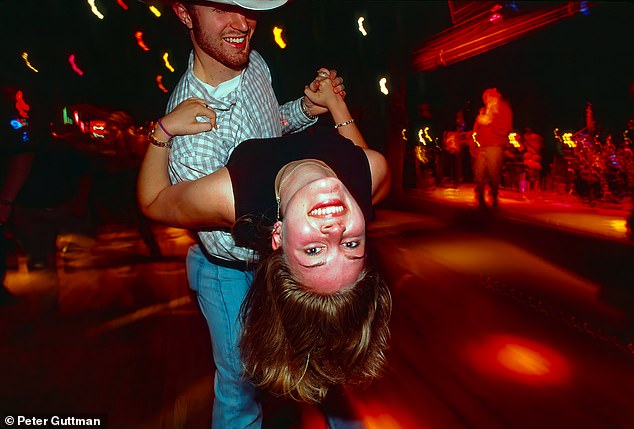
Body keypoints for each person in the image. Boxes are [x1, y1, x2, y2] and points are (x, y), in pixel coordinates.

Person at [138, 78, 391, 423]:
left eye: (315, 250)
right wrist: (333, 103)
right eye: (350, 245)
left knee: (239, 380)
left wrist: (163, 131)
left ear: (279, 235)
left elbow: (153, 202)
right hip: (253, 267)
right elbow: (359, 161)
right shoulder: (371, 174)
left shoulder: (231, 196)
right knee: (328, 350)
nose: (336, 229)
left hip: (222, 265)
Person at [154, 0, 350, 427]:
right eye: (223, 8)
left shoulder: (254, 63)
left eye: (248, 8)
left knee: (322, 363)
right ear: (185, 15)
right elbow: (220, 236)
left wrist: (307, 108)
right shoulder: (193, 133)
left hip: (277, 253)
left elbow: (271, 126)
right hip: (229, 271)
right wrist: (298, 219)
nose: (241, 24)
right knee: (240, 386)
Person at [471, 87, 513, 208]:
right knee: (479, 172)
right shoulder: (484, 110)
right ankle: (479, 197)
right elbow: (476, 129)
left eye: (490, 97)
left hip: (495, 146)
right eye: (486, 98)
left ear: (496, 97)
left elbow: (506, 129)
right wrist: (475, 143)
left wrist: (491, 121)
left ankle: (493, 196)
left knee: (494, 173)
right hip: (482, 146)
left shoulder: (504, 109)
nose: (488, 100)